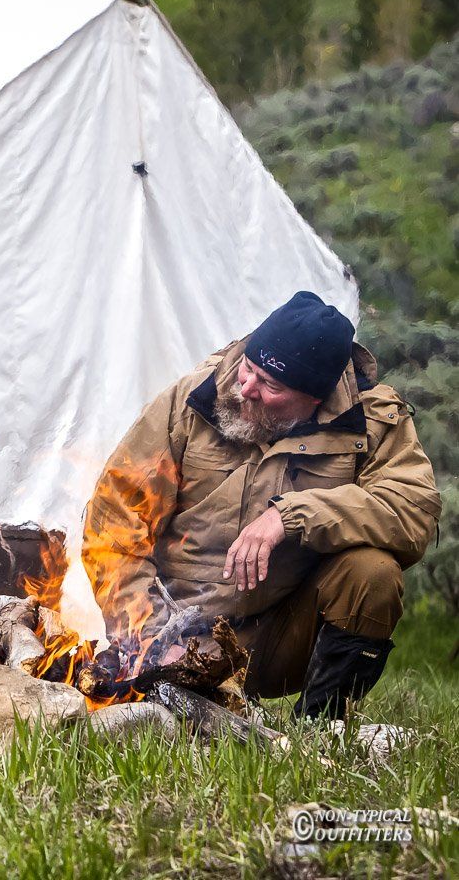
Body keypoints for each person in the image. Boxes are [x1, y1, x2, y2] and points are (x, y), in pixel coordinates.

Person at [82, 291, 440, 718]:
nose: (245, 387)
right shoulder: (193, 397)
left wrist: (290, 516)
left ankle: (321, 730)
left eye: (270, 385)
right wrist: (156, 636)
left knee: (373, 572)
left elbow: (412, 509)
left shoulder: (372, 420)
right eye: (249, 368)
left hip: (280, 635)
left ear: (315, 397)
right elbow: (113, 521)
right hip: (181, 633)